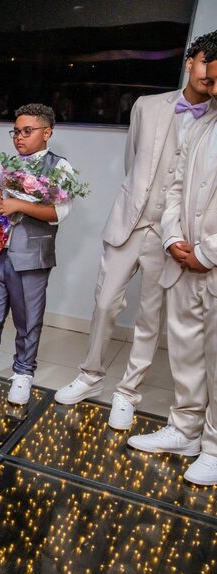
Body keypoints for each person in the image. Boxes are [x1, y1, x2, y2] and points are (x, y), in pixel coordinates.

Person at [54, 32, 217, 429]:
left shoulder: (215, 117)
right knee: (105, 303)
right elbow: (134, 160)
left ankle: (128, 392)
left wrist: (174, 229)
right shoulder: (146, 105)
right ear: (190, 62)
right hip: (129, 221)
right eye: (203, 64)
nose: (207, 76)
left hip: (173, 235)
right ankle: (90, 375)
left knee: (149, 317)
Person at [127, 51, 217, 486]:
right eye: (210, 80)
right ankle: (184, 429)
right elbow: (176, 187)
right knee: (185, 350)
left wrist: (209, 251)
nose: (212, 89)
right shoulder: (202, 126)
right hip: (183, 257)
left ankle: (214, 446)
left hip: (212, 261)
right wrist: (172, 237)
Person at [0, 103, 79, 405]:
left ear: (47, 133)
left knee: (28, 318)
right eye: (16, 132)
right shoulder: (8, 163)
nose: (19, 137)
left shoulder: (60, 167)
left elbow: (59, 213)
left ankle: (23, 372)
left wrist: (20, 205)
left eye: (27, 131)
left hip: (31, 254)